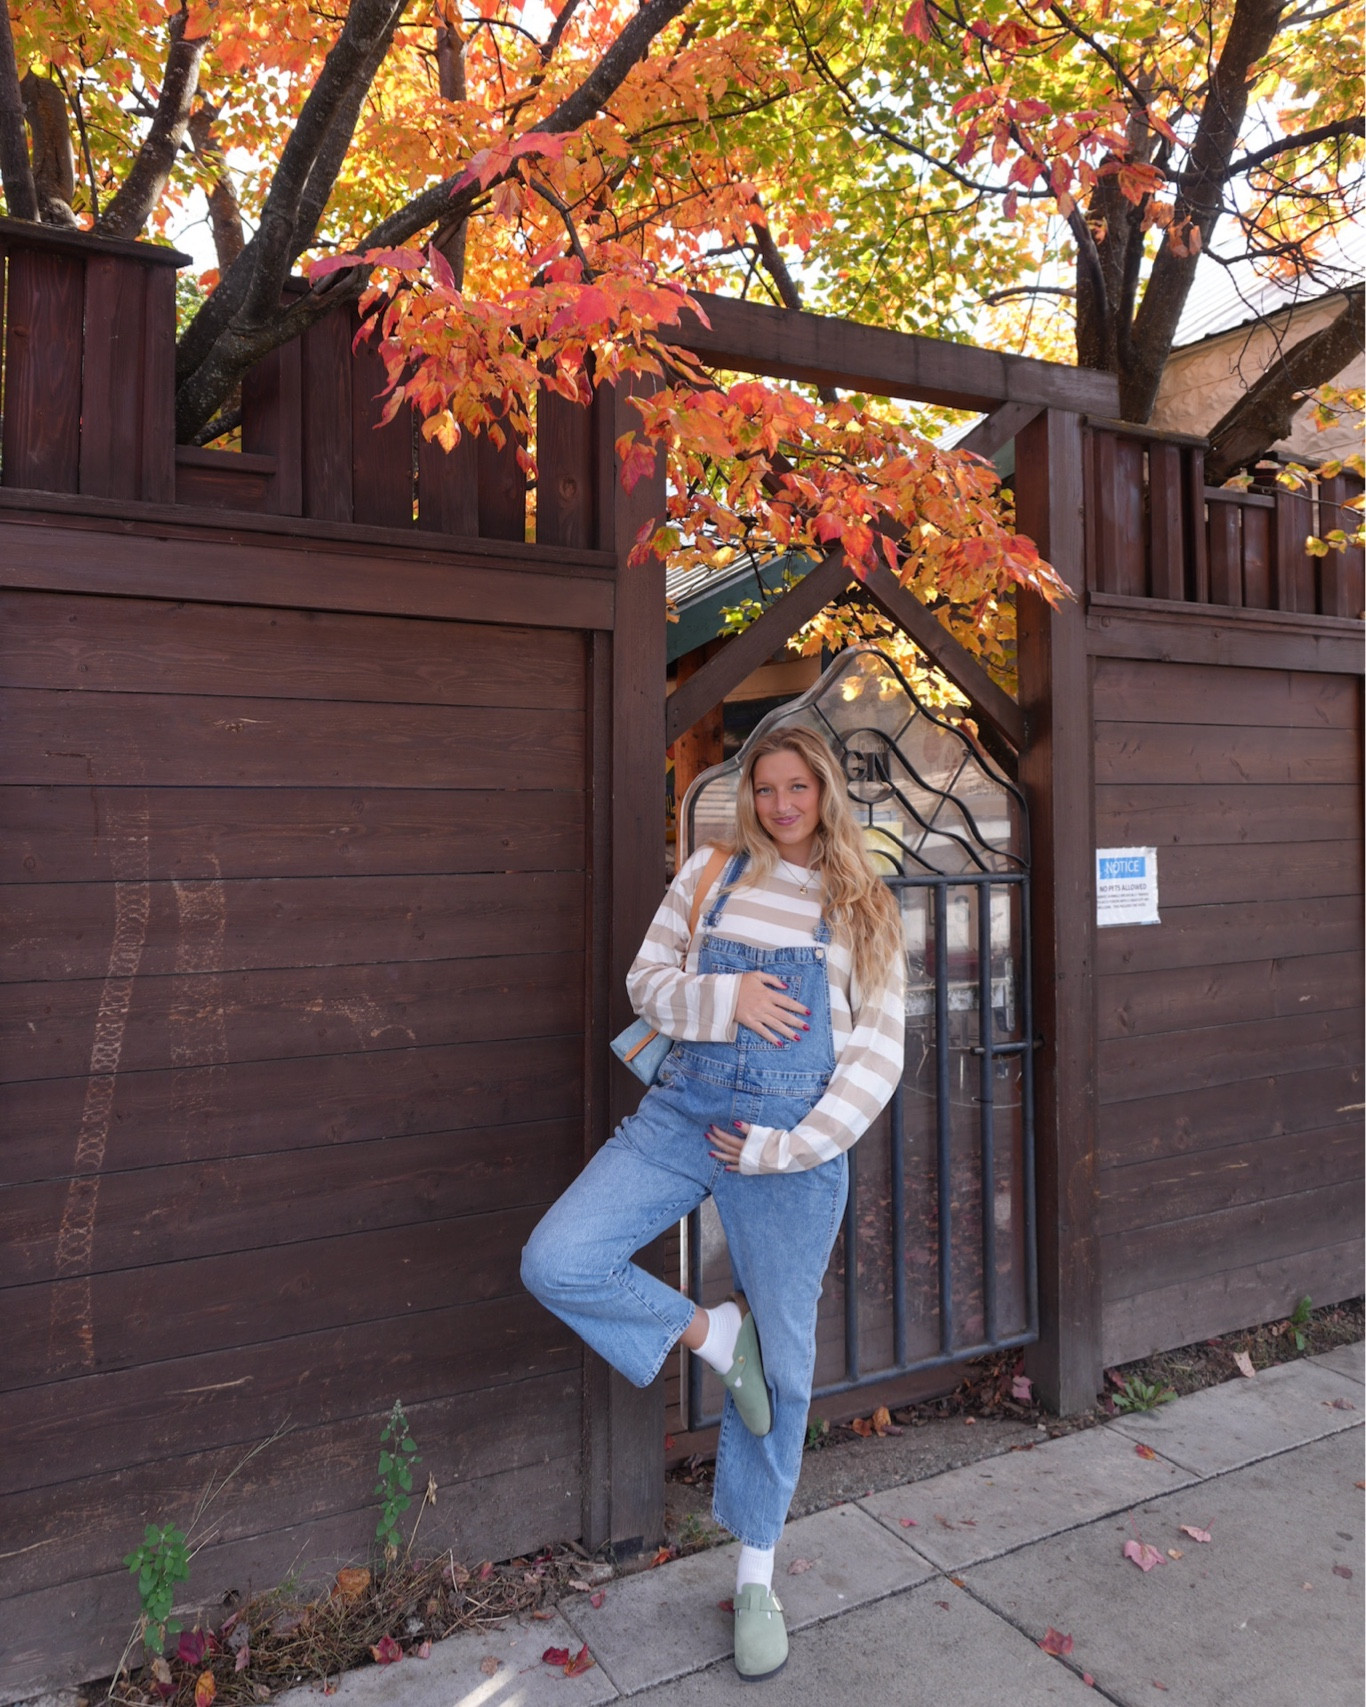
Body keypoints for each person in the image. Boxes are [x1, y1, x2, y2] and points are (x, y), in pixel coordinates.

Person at [521, 724, 906, 1682]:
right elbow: (647, 984)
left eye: (797, 787)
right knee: (558, 1257)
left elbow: (876, 1058)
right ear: (748, 796)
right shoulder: (709, 871)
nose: (781, 805)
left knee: (789, 1367)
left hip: (786, 1145)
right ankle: (711, 1336)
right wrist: (728, 998)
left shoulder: (862, 904)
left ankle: (757, 1576)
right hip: (686, 1108)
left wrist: (786, 1145)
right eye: (765, 788)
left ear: (824, 791)